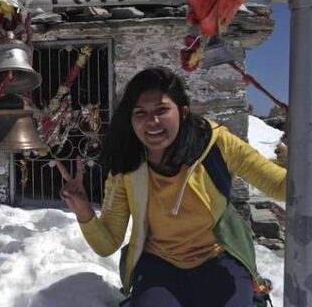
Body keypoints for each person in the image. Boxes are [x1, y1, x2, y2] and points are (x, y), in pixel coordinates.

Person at [55, 67, 286, 307]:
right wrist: (82, 210)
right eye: (140, 113)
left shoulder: (215, 145)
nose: (152, 121)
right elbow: (107, 244)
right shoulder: (127, 167)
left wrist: (297, 145)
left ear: (183, 112)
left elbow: (281, 186)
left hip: (218, 258)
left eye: (162, 110)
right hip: (159, 266)